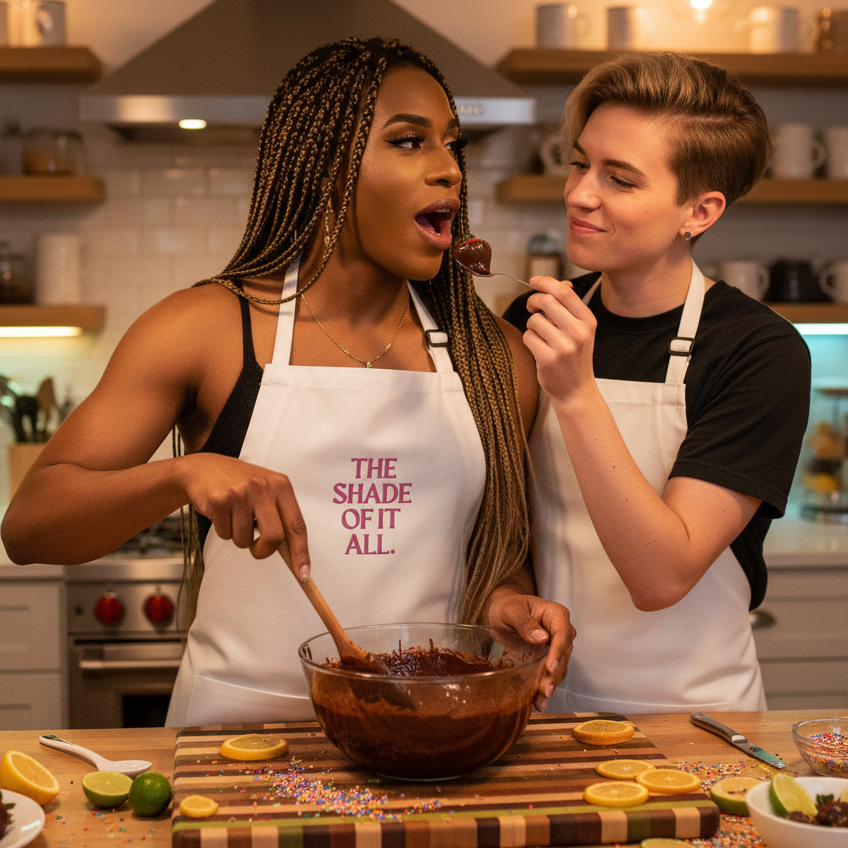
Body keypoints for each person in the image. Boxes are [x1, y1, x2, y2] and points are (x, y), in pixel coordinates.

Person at [2, 37, 573, 725]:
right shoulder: (207, 328)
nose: (449, 169)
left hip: (423, 742)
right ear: (328, 167)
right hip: (233, 746)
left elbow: (495, 556)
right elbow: (30, 528)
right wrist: (184, 476)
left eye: (453, 144)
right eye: (408, 142)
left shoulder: (496, 360)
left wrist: (508, 603)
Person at [504, 51, 811, 714]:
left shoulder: (760, 352)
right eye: (580, 163)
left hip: (692, 721)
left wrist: (576, 393)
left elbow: (661, 575)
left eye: (620, 179)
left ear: (698, 212)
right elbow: (504, 516)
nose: (580, 193)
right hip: (543, 709)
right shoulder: (530, 318)